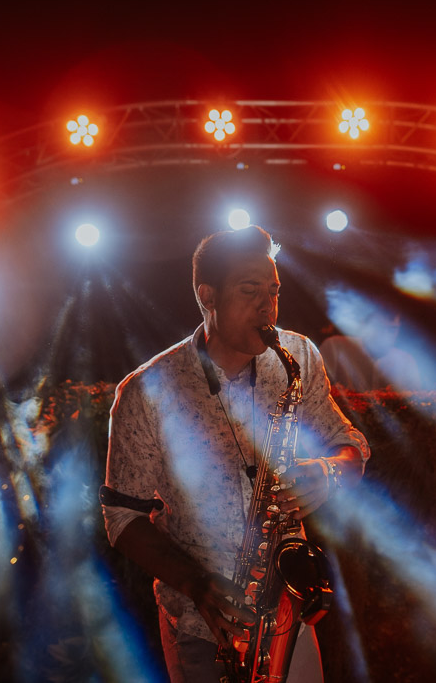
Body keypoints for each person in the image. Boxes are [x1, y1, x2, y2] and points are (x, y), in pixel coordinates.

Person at [102, 225, 370, 683]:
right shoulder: (147, 391)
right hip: (204, 625)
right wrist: (195, 584)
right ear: (208, 295)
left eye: (274, 291)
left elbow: (353, 447)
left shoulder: (297, 356)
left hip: (289, 609)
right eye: (250, 291)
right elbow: (121, 519)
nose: (268, 305)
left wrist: (329, 472)